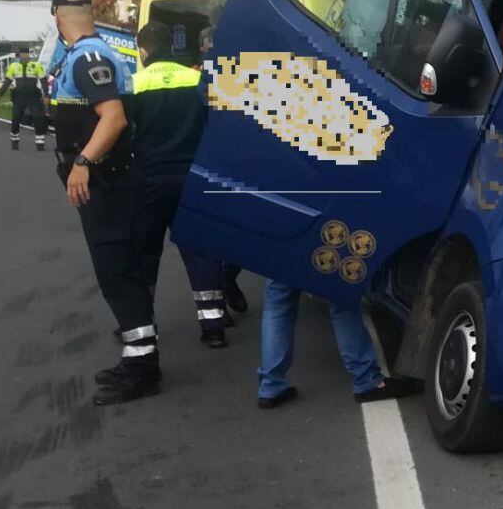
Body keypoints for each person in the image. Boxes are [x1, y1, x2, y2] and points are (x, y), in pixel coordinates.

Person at [49, 0, 159, 405]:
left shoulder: (86, 58)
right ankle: (138, 358)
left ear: (58, 17)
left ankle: (142, 369)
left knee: (118, 274)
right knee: (122, 273)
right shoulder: (100, 54)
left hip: (108, 186)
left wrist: (83, 163)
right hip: (113, 183)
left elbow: (112, 119)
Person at [130, 20, 240, 348]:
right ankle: (213, 326)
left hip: (148, 180)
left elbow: (125, 132)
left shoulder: (134, 84)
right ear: (172, 45)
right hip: (192, 178)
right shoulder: (197, 80)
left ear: (143, 50)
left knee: (144, 254)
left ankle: (142, 321)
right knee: (202, 251)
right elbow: (218, 128)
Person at [257, 278, 419, 408]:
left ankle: (271, 384)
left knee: (277, 307)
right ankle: (366, 379)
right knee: (343, 303)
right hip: (318, 245)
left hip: (282, 247)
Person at [0, 48, 48, 151]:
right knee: (16, 119)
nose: (24, 58)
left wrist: (46, 96)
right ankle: (15, 142)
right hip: (19, 97)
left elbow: (44, 81)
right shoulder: (13, 66)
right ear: (19, 57)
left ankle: (40, 144)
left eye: (26, 56)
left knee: (37, 118)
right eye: (22, 56)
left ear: (29, 56)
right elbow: (7, 82)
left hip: (33, 97)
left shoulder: (36, 66)